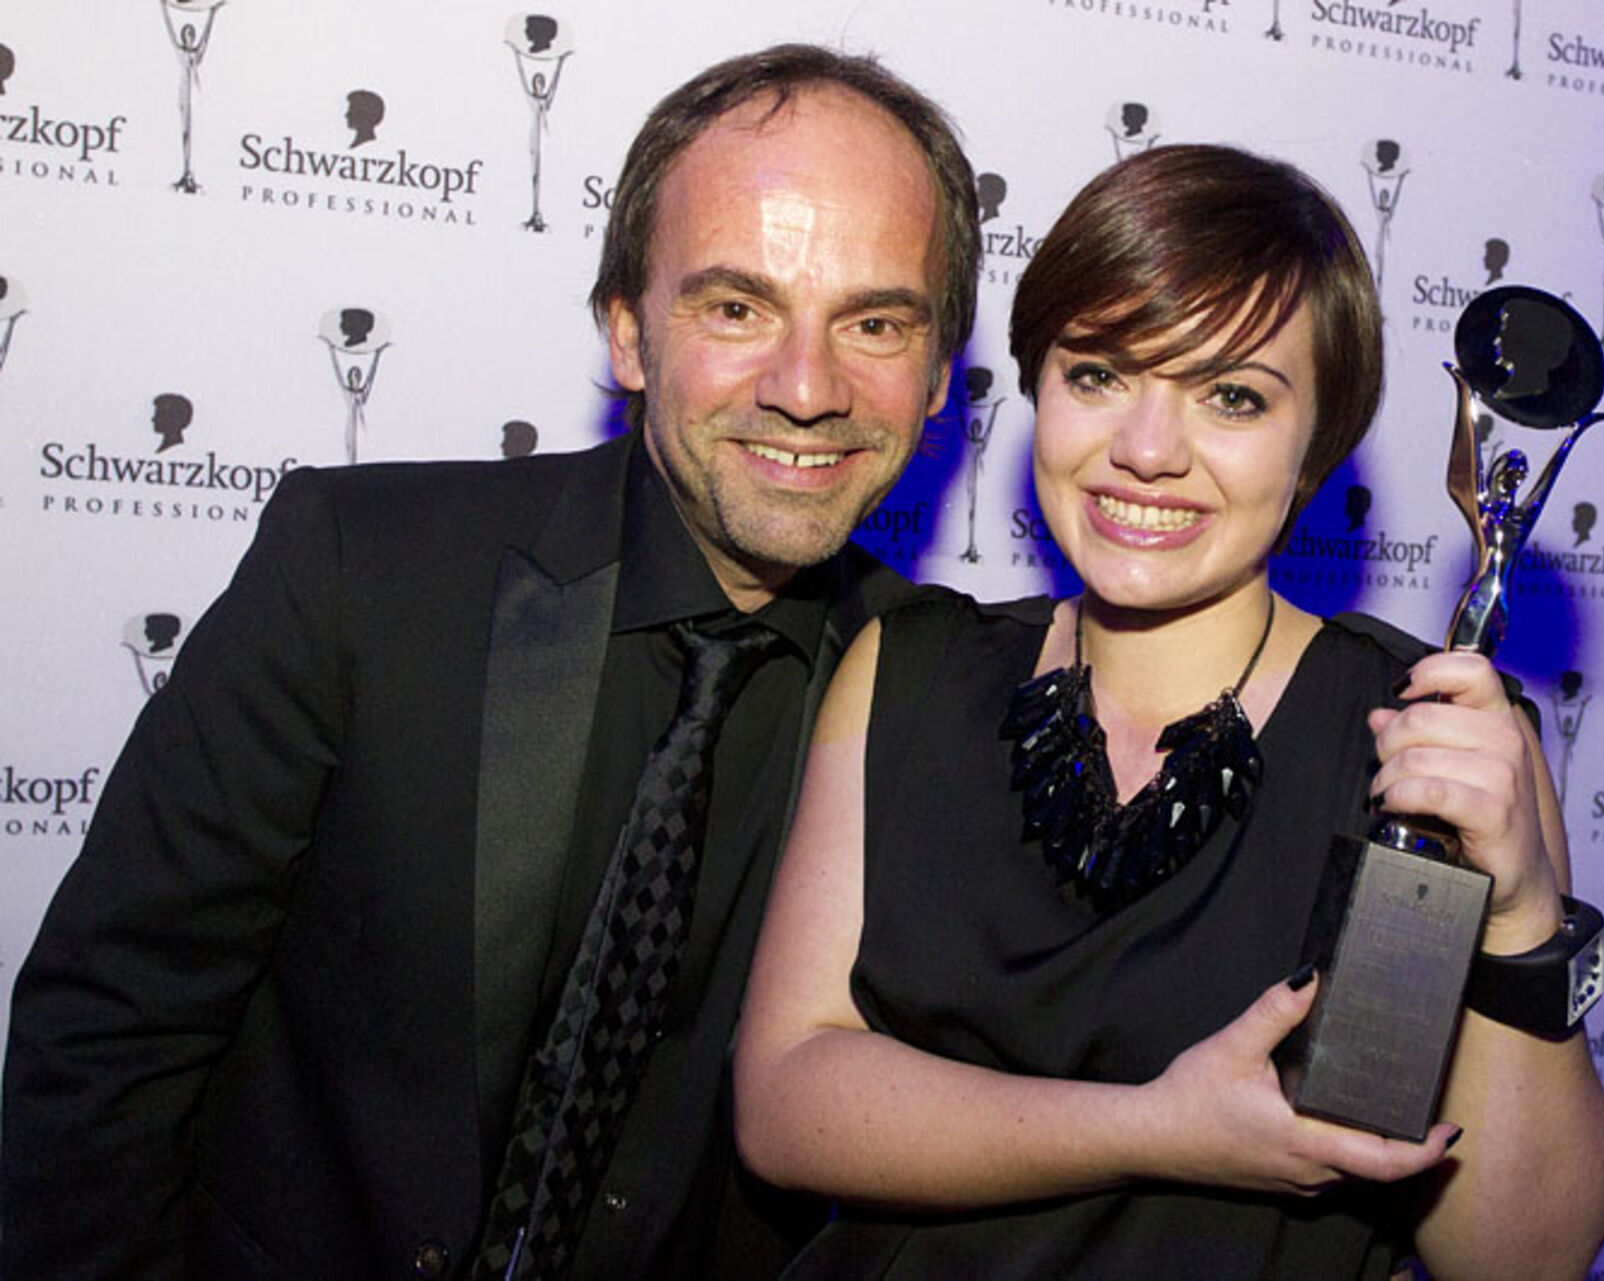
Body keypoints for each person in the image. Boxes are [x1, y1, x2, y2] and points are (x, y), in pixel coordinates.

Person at [2, 43, 978, 1280]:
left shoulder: (948, 695)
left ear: (938, 377)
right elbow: (111, 1034)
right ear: (628, 334)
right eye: (737, 308)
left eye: (876, 323)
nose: (806, 387)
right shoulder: (360, 573)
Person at [735, 145, 1604, 1278]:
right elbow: (784, 1102)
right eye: (1098, 375)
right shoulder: (908, 668)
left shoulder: (1431, 734)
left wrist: (1523, 917)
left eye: (1232, 396)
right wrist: (1156, 1127)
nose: (1146, 452)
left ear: (1318, 444)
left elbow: (1522, 1260)